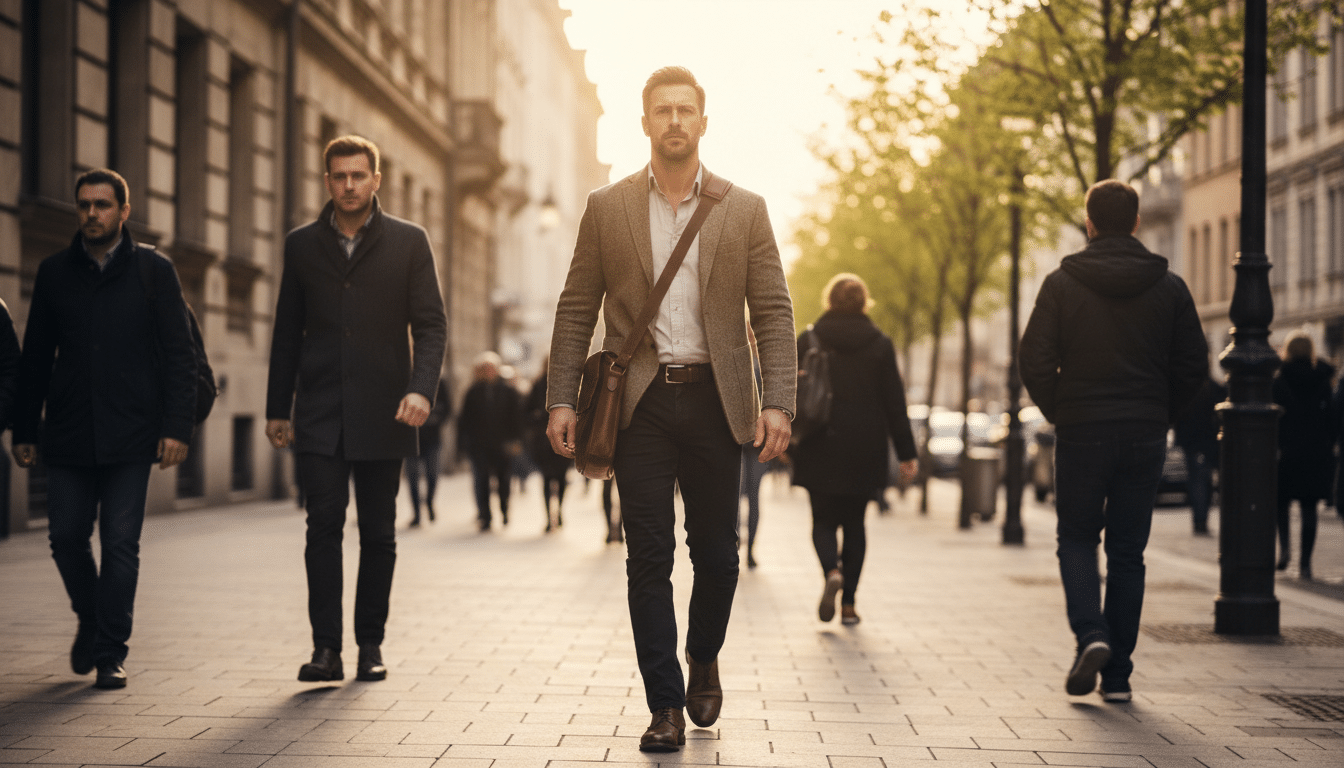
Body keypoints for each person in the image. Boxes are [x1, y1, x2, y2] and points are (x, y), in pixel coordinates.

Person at [544, 66, 796, 752]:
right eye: (663, 110)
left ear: (703, 123)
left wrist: (779, 401)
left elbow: (773, 311)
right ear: (646, 122)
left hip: (719, 401)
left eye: (686, 110)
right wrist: (560, 397)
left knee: (718, 555)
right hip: (642, 405)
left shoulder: (744, 209)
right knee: (647, 556)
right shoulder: (608, 207)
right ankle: (663, 705)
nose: (675, 120)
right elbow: (576, 309)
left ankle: (703, 653)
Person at [266, 135, 447, 684]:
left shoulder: (409, 242)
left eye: (357, 176)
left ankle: (370, 644)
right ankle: (326, 650)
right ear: (327, 182)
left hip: (386, 411)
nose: (348, 185)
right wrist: (278, 407)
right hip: (318, 411)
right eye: (338, 176)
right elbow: (285, 332)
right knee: (321, 526)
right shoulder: (301, 245)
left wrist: (421, 388)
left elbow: (432, 325)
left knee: (378, 532)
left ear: (376, 180)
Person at [1019, 179, 1208, 704]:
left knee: (1078, 536)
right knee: (1128, 551)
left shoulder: (1062, 283)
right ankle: (1119, 675)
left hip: (1082, 429)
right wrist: (1161, 412)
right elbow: (1194, 363)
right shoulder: (1169, 286)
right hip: (1144, 431)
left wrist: (1061, 409)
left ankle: (1091, 634)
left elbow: (1033, 355)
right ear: (1138, 222)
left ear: (1089, 223)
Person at [13, 168, 197, 690]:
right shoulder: (53, 272)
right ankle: (91, 617)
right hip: (69, 432)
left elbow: (180, 356)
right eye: (84, 205)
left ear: (123, 211)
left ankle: (111, 650)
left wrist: (176, 426)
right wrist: (25, 428)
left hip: (133, 433)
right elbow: (35, 358)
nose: (91, 213)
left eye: (102, 205)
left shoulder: (153, 271)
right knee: (65, 538)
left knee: (120, 545)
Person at [789, 274, 919, 626]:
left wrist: (785, 436)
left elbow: (788, 392)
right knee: (856, 524)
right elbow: (895, 403)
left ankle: (832, 570)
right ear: (865, 303)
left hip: (818, 442)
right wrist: (907, 453)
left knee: (822, 520)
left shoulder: (809, 338)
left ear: (829, 301)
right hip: (865, 447)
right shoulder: (879, 343)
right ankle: (848, 604)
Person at [1271, 332, 1336, 580]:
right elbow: (1331, 417)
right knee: (1309, 507)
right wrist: (1329, 444)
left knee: (1281, 503)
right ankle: (1305, 563)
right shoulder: (1323, 380)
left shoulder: (1279, 379)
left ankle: (1285, 549)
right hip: (1316, 451)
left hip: (1286, 450)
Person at [457, 351, 523, 531]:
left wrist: (516, 440)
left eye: (491, 368)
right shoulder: (473, 391)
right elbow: (464, 421)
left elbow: (516, 417)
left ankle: (504, 510)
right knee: (481, 480)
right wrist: (462, 446)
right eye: (485, 368)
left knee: (504, 480)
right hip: (479, 446)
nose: (489, 372)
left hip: (503, 445)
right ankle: (485, 515)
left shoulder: (508, 391)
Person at [1172, 376, 1225, 535]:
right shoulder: (1213, 387)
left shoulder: (1187, 388)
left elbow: (1178, 415)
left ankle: (1199, 520)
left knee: (1197, 481)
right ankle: (1201, 520)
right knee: (1203, 481)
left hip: (1193, 441)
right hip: (1207, 440)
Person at [524, 360, 572, 532]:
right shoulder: (538, 384)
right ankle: (548, 516)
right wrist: (537, 417)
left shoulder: (569, 383)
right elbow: (527, 411)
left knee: (561, 478)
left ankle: (559, 511)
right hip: (543, 440)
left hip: (565, 438)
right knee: (546, 479)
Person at [406, 379, 452, 526]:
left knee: (432, 474)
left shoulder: (439, 382)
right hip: (411, 438)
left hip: (433, 437)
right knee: (412, 477)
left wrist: (436, 420)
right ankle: (417, 513)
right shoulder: (405, 379)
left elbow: (448, 408)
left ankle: (430, 501)